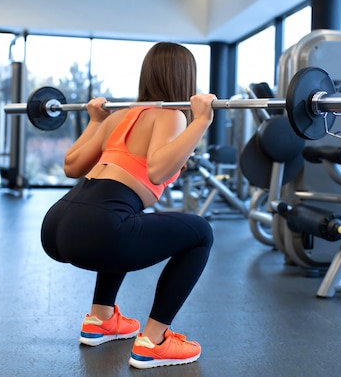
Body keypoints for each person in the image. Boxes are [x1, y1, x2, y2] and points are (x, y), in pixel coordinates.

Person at [40, 41, 216, 369]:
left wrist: (95, 121)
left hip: (59, 222)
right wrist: (200, 122)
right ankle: (155, 340)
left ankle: (101, 318)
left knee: (127, 219)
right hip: (99, 227)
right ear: (186, 77)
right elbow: (159, 169)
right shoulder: (172, 115)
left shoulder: (118, 117)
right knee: (201, 232)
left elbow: (72, 166)